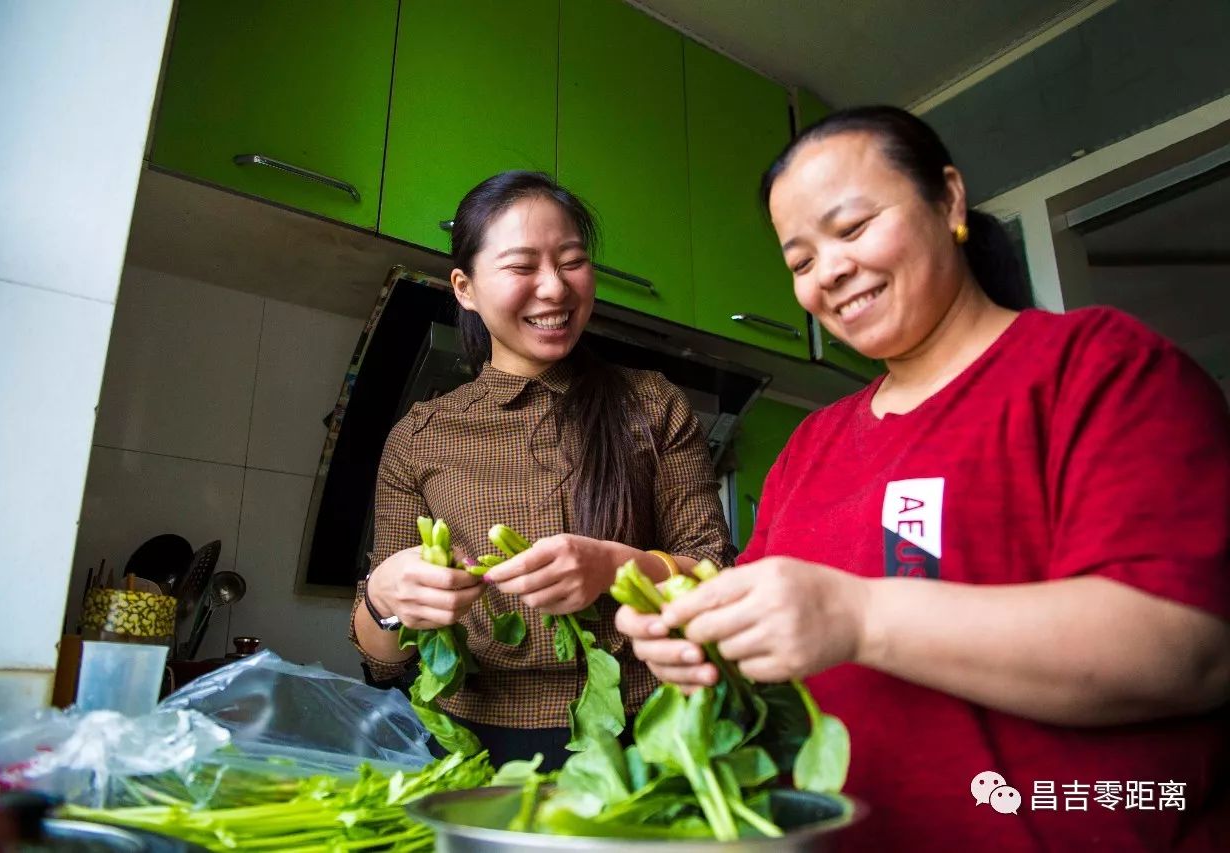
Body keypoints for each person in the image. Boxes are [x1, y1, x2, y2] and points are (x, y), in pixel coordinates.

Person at [616, 106, 1230, 850]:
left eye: (851, 228)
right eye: (801, 262)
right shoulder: (812, 444)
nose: (830, 271)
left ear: (950, 200)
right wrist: (697, 638)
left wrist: (860, 616)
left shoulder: (1097, 365)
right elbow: (772, 647)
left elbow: (1187, 650)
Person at [350, 171, 734, 769]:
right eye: (522, 265)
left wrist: (614, 566)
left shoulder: (653, 405)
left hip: (645, 734)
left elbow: (716, 575)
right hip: (469, 744)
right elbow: (383, 659)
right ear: (466, 287)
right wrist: (383, 597)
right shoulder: (419, 437)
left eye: (573, 260)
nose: (554, 288)